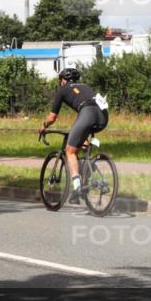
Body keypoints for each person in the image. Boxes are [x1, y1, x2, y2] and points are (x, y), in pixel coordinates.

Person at [38, 67, 108, 202]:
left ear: (63, 80)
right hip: (103, 116)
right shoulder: (85, 86)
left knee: (70, 151)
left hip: (87, 113)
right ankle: (89, 171)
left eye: (60, 81)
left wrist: (43, 125)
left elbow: (52, 117)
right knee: (82, 142)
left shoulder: (62, 89)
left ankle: (77, 188)